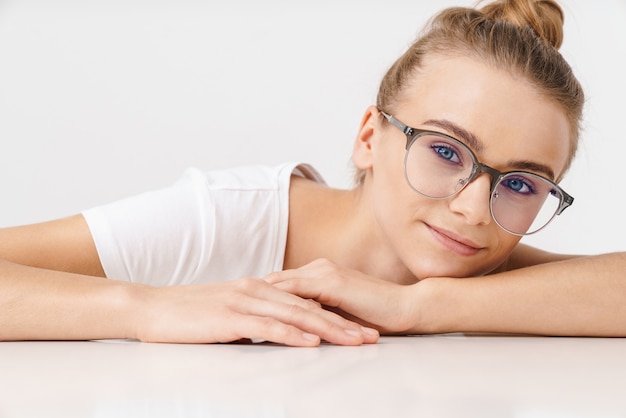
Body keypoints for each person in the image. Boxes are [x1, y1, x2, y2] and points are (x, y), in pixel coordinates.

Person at [1, 0, 624, 346]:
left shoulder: (479, 259)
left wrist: (420, 305)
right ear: (367, 139)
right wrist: (147, 310)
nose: (472, 207)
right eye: (444, 150)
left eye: (520, 184)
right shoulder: (226, 217)